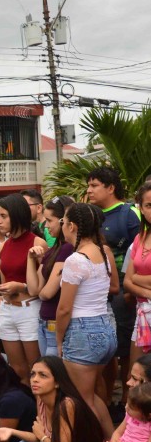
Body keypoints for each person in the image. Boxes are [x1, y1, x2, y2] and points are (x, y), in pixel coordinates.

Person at [56, 202, 118, 420]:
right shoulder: (104, 252)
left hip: (83, 332)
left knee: (81, 401)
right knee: (90, 396)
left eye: (62, 221)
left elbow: (64, 308)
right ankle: (109, 440)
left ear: (72, 226)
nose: (61, 225)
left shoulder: (76, 260)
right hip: (106, 328)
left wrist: (59, 340)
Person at [87, 165, 140, 402]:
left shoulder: (129, 214)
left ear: (110, 187)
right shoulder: (90, 214)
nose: (89, 190)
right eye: (89, 185)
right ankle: (108, 401)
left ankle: (129, 403)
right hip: (97, 295)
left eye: (94, 185)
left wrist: (129, 292)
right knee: (107, 353)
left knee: (127, 350)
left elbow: (139, 254)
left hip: (123, 294)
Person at [0, 194, 47, 384]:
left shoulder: (37, 244)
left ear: (17, 215)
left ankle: (41, 411)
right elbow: (7, 278)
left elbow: (42, 287)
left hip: (29, 308)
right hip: (7, 309)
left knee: (36, 368)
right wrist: (0, 288)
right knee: (17, 369)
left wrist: (19, 286)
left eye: (4, 216)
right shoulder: (3, 246)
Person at [25, 195, 75, 357]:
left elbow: (46, 293)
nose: (46, 226)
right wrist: (30, 259)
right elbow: (34, 289)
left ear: (64, 221)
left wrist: (41, 290)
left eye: (49, 220)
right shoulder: (54, 250)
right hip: (44, 322)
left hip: (55, 323)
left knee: (56, 376)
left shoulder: (67, 249)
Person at [123, 180, 151, 370]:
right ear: (140, 208)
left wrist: (137, 279)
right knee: (137, 375)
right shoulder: (139, 238)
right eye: (149, 205)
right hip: (142, 312)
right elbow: (127, 282)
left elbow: (133, 278)